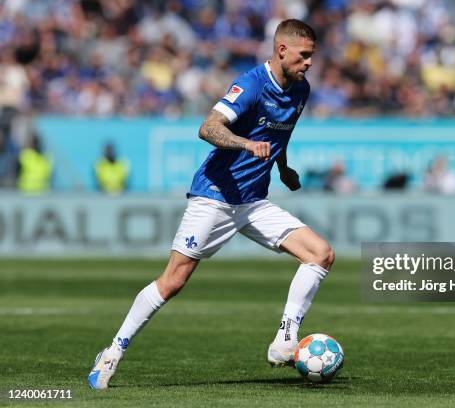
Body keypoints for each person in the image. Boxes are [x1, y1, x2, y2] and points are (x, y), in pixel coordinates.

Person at [88, 19, 334, 390]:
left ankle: (285, 338)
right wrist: (244, 144)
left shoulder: (301, 90)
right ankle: (111, 352)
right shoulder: (251, 84)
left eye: (312, 56)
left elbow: (279, 135)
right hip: (215, 197)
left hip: (252, 201)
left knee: (321, 254)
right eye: (304, 55)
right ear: (282, 50)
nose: (310, 63)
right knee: (173, 280)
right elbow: (208, 127)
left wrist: (283, 168)